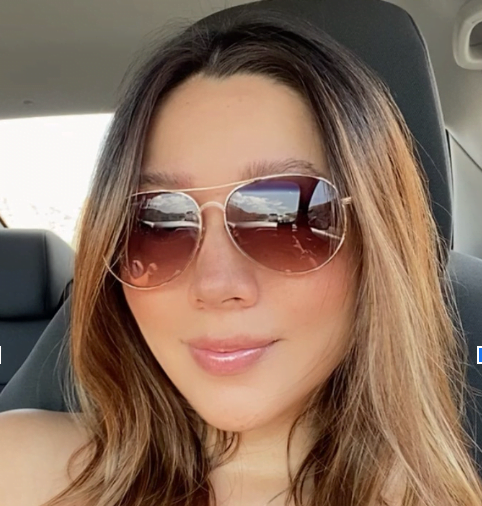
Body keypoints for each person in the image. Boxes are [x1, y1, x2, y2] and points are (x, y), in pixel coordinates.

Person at [1, 6, 481, 506]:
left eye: (286, 217)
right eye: (157, 223)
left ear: (376, 246)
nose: (214, 284)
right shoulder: (18, 471)